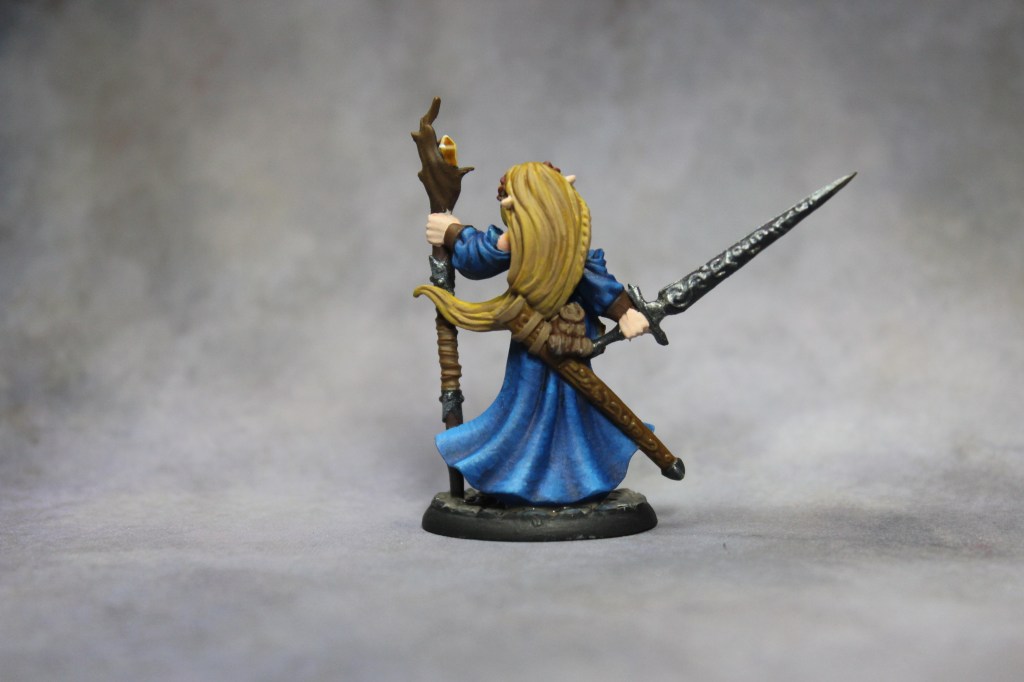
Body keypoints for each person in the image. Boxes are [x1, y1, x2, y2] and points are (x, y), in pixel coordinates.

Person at [414, 162, 649, 506]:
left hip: (568, 338)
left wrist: (625, 312)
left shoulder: (571, 246)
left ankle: (575, 480)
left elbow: (598, 284)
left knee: (574, 416)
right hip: (531, 340)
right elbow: (480, 257)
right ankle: (518, 478)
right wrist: (452, 232)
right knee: (523, 412)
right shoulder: (518, 240)